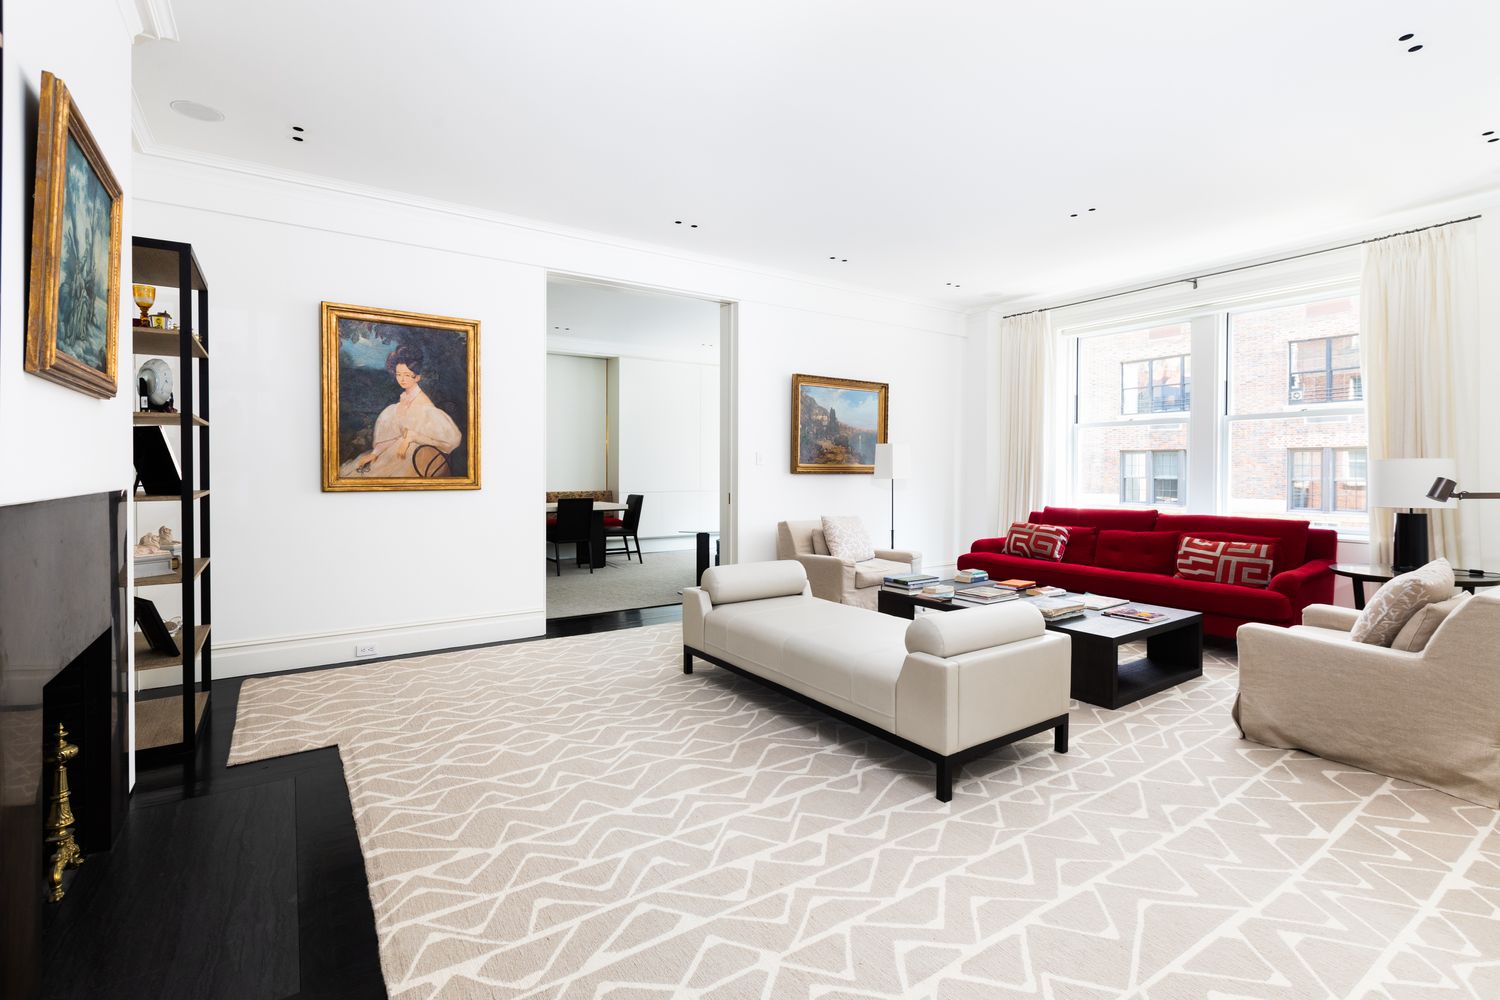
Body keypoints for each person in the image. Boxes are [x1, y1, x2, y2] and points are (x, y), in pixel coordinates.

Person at [340, 343, 462, 478]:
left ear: (417, 377)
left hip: (419, 459)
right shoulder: (398, 405)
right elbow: (393, 436)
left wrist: (412, 437)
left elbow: (451, 441)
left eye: (407, 375)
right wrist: (374, 454)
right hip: (397, 455)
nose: (402, 379)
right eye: (398, 374)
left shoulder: (424, 406)